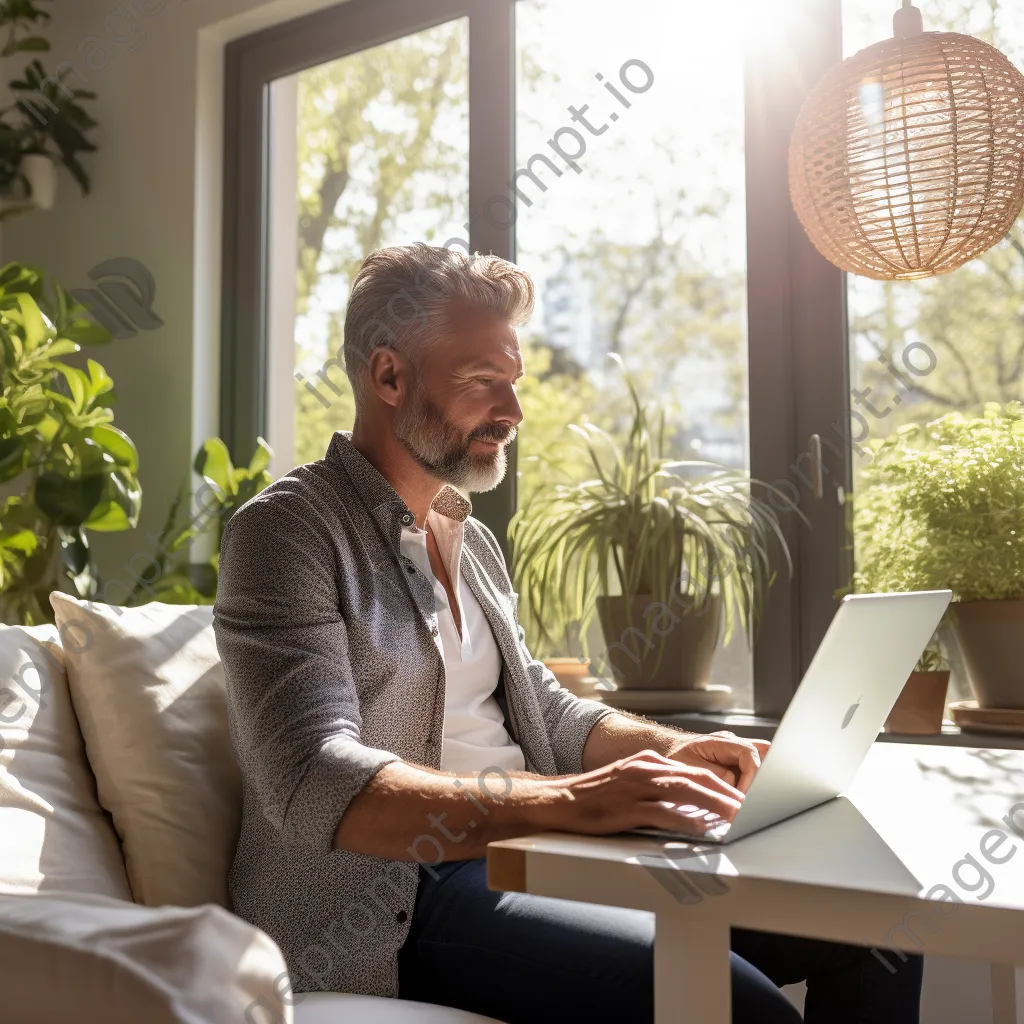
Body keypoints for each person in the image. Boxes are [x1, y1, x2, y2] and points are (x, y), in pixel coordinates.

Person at [213, 243, 923, 1024]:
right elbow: (316, 777)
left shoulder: (469, 539)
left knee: (878, 921)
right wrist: (576, 802)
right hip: (404, 893)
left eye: (512, 384)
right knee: (738, 1006)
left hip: (544, 850)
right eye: (484, 382)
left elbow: (545, 712)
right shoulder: (286, 533)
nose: (512, 412)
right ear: (389, 377)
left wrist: (673, 751)